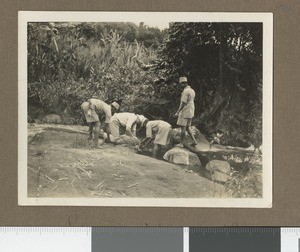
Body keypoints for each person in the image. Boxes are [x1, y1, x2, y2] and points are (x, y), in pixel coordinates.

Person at [175, 76, 198, 147]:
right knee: (188, 127)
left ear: (183, 84)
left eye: (181, 84)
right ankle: (194, 141)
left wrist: (178, 111)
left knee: (183, 128)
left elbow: (183, 103)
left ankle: (181, 143)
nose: (180, 86)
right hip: (191, 110)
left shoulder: (185, 91)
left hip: (185, 110)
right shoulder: (192, 90)